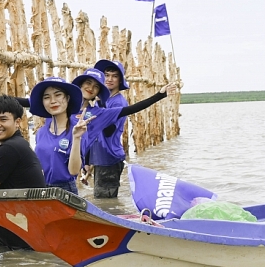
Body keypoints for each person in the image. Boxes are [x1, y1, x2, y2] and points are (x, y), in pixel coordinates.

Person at [29, 76, 177, 193]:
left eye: (96, 86)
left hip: (84, 171)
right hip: (43, 187)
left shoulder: (96, 115)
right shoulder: (49, 121)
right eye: (87, 83)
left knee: (104, 194)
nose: (90, 88)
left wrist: (160, 94)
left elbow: (130, 110)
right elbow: (27, 103)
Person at [0, 95, 46, 250]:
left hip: (22, 229)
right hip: (29, 224)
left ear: (18, 122)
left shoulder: (9, 149)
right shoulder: (17, 144)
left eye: (3, 119)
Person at [87, 59, 131, 197]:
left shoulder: (118, 102)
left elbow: (108, 130)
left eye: (115, 76)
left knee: (105, 201)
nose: (109, 79)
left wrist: (102, 107)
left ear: (120, 80)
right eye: (106, 75)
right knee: (101, 200)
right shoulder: (103, 100)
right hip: (100, 157)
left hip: (109, 158)